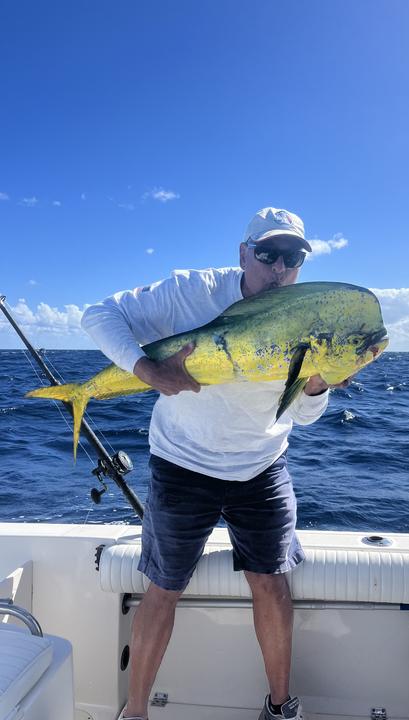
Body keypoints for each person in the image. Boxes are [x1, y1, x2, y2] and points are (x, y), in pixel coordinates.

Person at [82, 207, 347, 720]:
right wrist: (145, 369)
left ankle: (280, 706)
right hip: (183, 463)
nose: (278, 267)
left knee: (271, 581)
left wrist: (318, 385)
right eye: (267, 253)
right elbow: (99, 314)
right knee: (164, 587)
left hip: (261, 465)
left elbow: (309, 415)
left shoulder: (310, 315)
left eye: (291, 257)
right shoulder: (192, 291)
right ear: (243, 253)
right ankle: (135, 713)